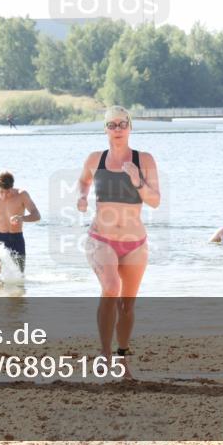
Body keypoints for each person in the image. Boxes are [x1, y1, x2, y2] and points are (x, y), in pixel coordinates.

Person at [77, 106, 160, 373]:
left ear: (130, 127)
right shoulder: (95, 159)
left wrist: (137, 180)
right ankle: (104, 353)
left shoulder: (144, 159)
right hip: (102, 238)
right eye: (111, 125)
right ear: (105, 129)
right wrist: (81, 196)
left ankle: (122, 354)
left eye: (122, 124)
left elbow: (156, 201)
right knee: (111, 288)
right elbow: (83, 181)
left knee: (127, 303)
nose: (117, 129)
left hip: (135, 242)